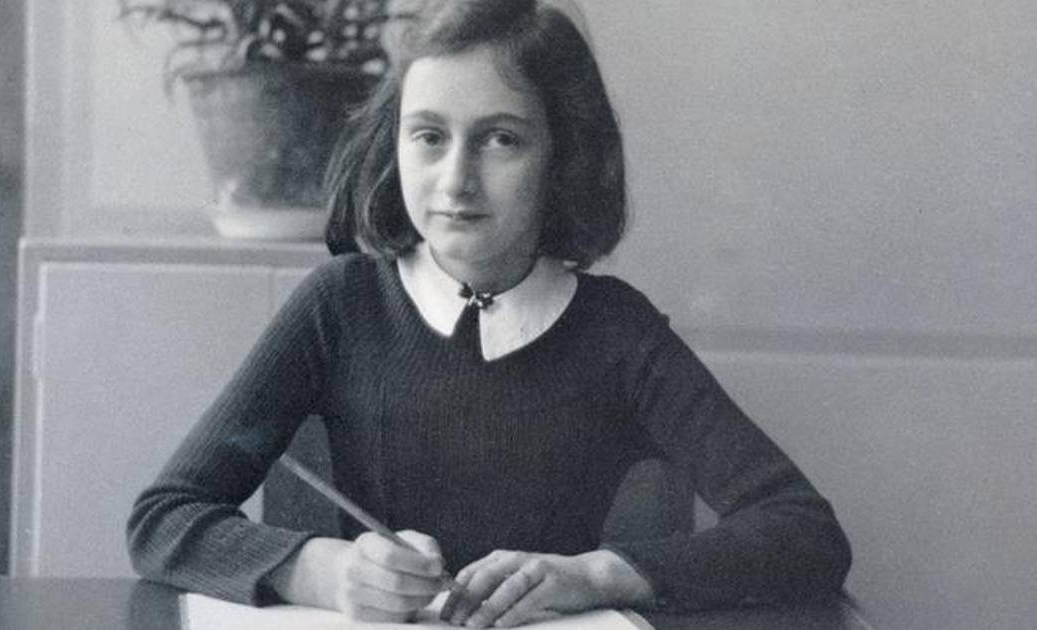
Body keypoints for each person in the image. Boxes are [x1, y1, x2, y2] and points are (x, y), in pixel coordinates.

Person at [126, 0, 852, 627]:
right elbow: (163, 518)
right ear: (395, 143)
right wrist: (321, 570)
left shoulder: (617, 333)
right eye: (429, 136)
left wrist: (600, 574)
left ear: (564, 156)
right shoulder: (339, 304)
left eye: (501, 139)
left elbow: (806, 533)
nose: (456, 180)